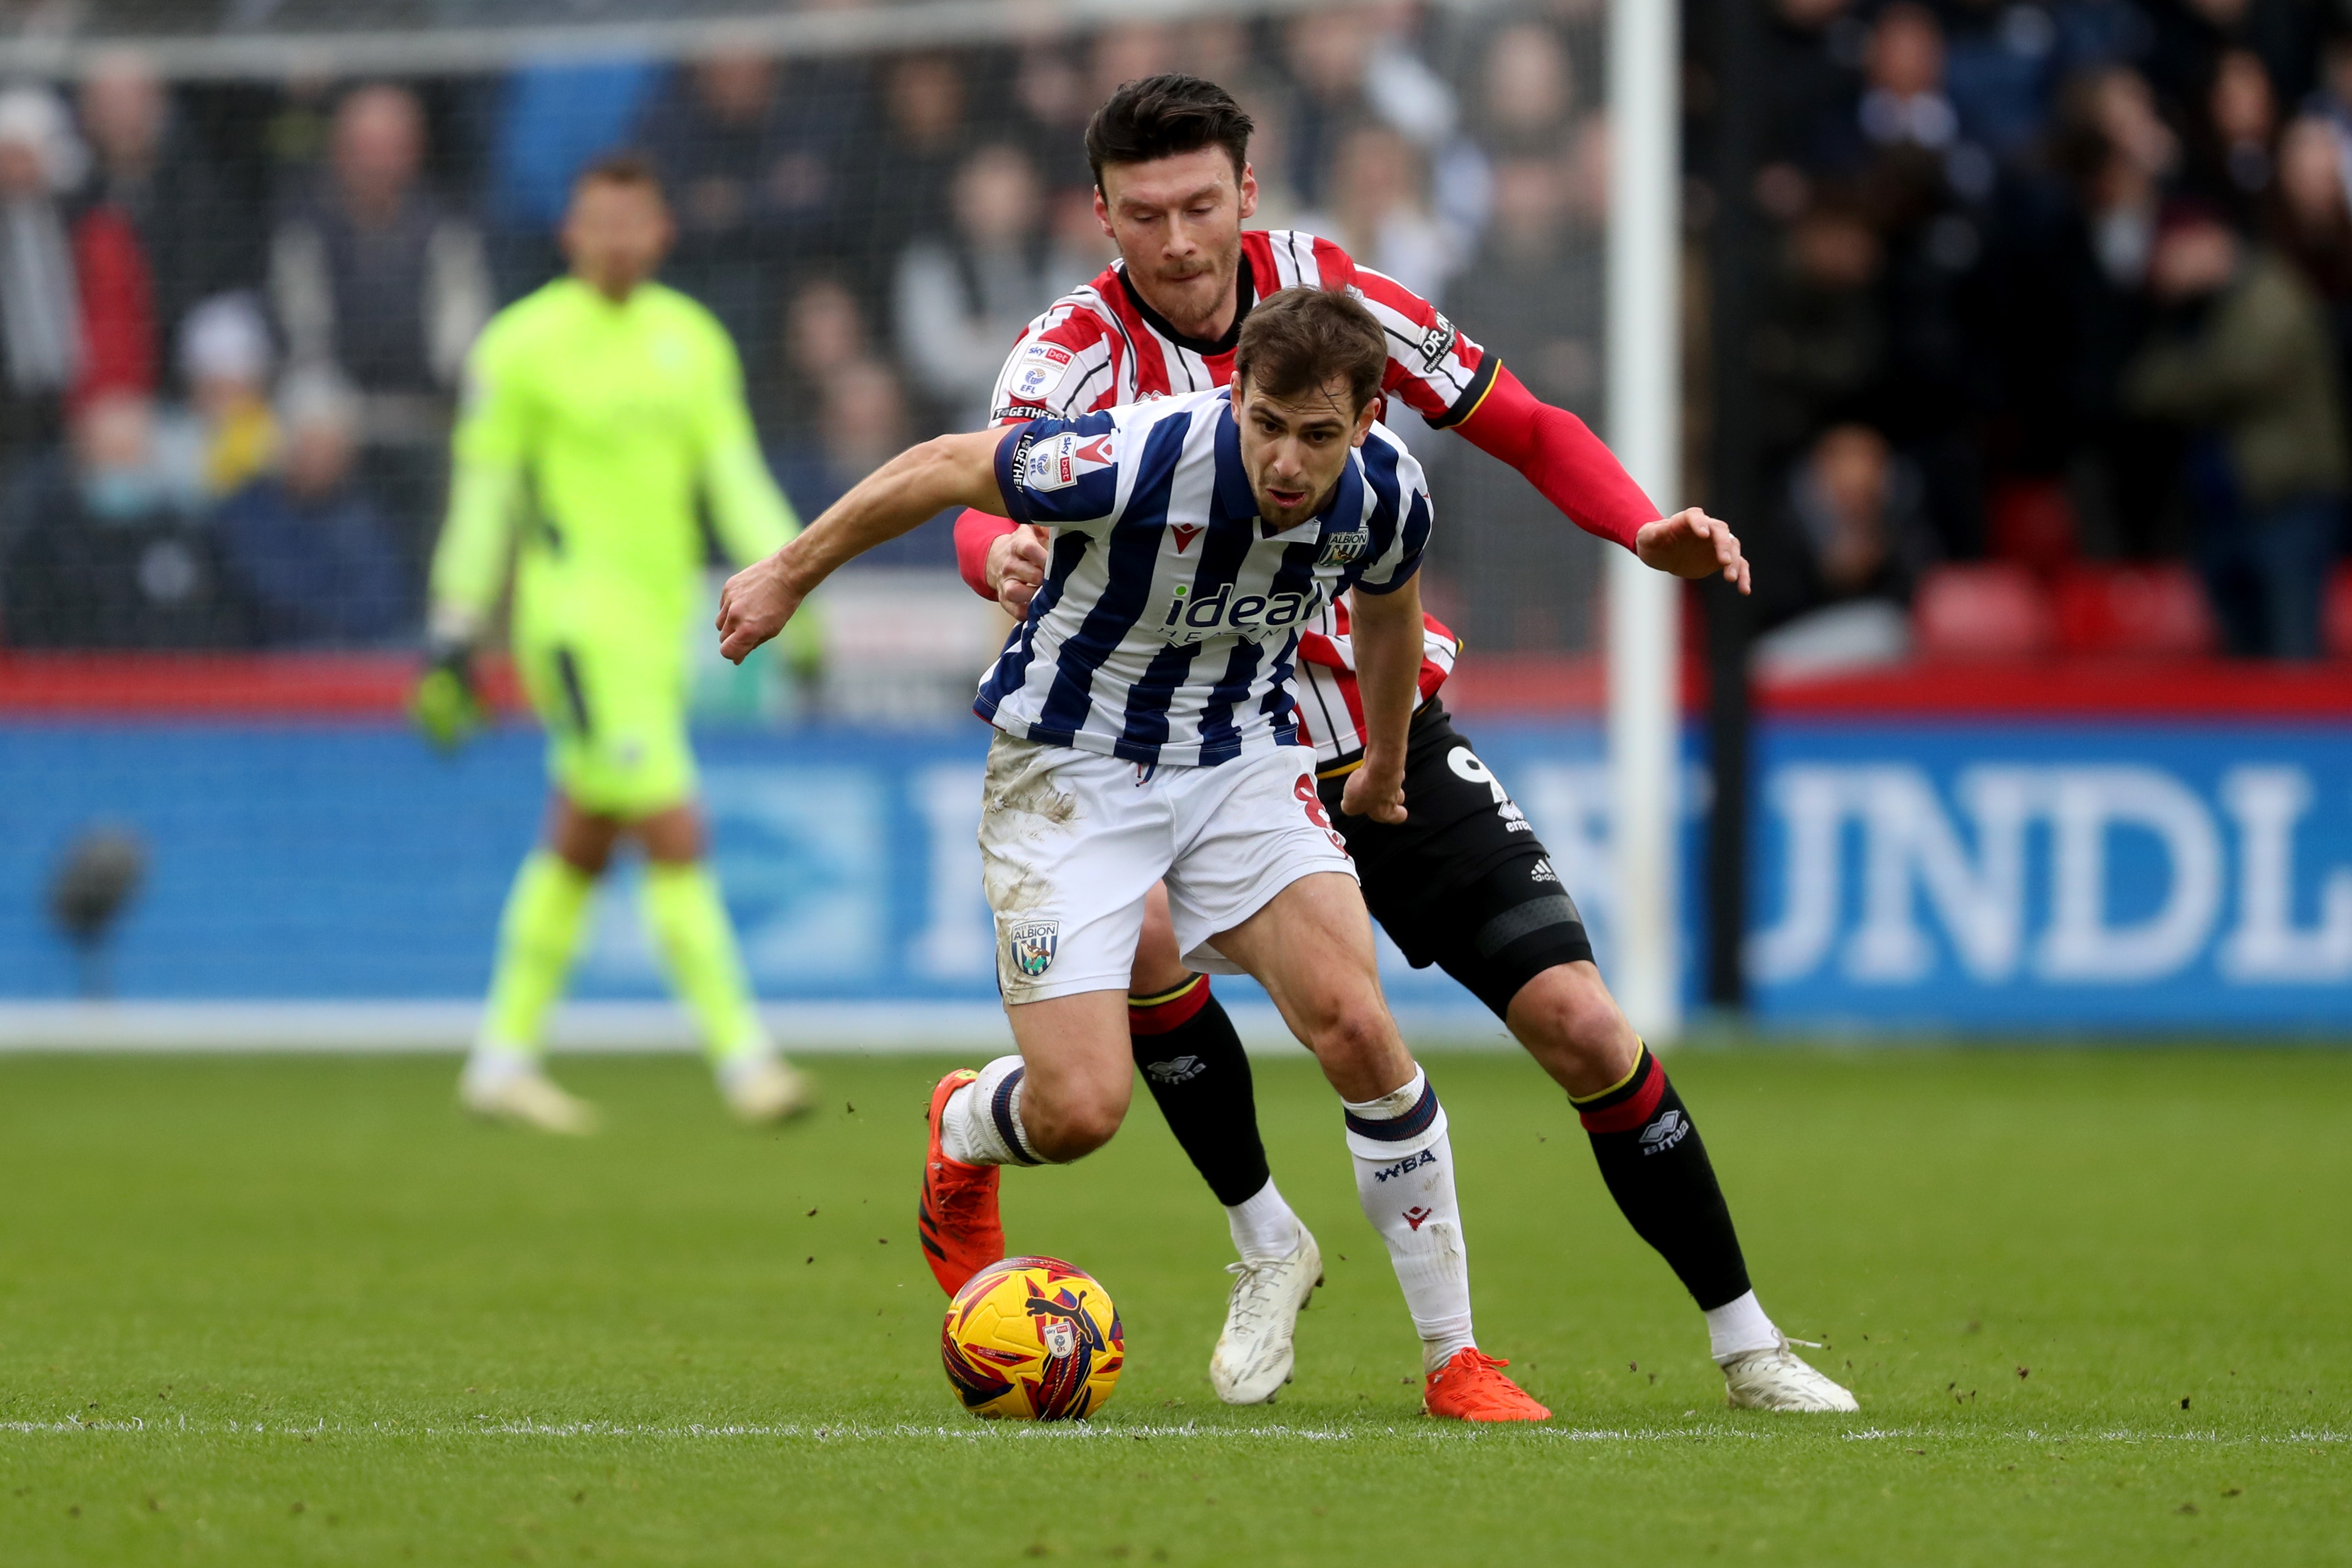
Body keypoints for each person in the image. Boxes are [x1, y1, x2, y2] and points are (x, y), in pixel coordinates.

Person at [959, 74, 1854, 1414]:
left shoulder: (1335, 301)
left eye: (1202, 205)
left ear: (1247, 193)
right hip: (1174, 747)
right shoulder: (1065, 354)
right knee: (1137, 961)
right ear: (1101, 217)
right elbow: (975, 492)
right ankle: (1265, 1239)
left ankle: (1746, 1338)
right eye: (1145, 216)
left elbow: (1526, 423)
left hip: (1368, 734)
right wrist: (1003, 556)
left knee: (1576, 1019)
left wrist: (1638, 525)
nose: (1181, 242)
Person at [721, 287, 1550, 1422]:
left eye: (1317, 435)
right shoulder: (1141, 453)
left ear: (1366, 422)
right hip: (1068, 772)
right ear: (1237, 395)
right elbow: (940, 464)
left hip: (1240, 759)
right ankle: (966, 1121)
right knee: (1080, 1113)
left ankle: (1458, 1360)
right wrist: (785, 574)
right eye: (1265, 423)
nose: (1287, 462)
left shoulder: (1388, 496)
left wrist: (1386, 765)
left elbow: (1389, 616)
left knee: (1358, 1026)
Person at [415, 154, 815, 1132]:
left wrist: (804, 583)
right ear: (571, 233)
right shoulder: (520, 346)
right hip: (574, 629)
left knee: (584, 839)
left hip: (653, 630)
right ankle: (744, 1059)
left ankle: (501, 1057)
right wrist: (455, 626)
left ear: (661, 232)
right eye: (600, 221)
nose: (617, 239)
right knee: (674, 827)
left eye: (634, 222)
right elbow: (482, 495)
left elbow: (736, 479)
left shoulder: (692, 341)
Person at [2122, 202, 2349, 658]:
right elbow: (2140, 388)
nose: (2165, 269)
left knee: (2292, 657)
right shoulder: (2190, 314)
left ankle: (2297, 734)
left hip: (2287, 502)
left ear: (2211, 240)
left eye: (2174, 253)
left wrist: (2184, 376)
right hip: (2220, 510)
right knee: (2234, 672)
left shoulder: (2271, 289)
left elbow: (2241, 372)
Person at [213, 368, 410, 646]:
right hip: (270, 666)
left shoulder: (367, 516)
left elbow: (384, 604)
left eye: (331, 442)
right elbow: (269, 602)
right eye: (311, 440)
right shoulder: (248, 513)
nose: (320, 456)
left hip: (355, 663)